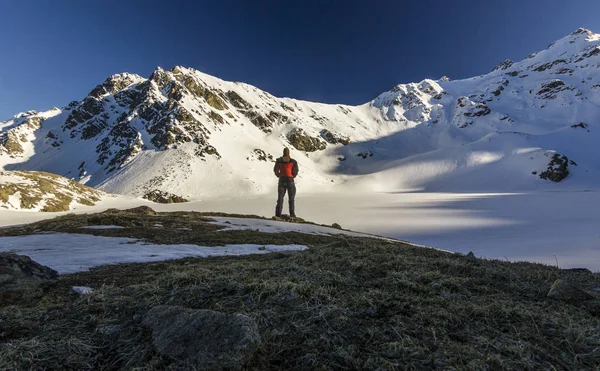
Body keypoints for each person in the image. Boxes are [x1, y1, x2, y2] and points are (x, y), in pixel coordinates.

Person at [273, 147, 299, 217]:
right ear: (288, 153)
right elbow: (296, 171)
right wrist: (292, 176)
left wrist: (279, 175)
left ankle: (278, 214)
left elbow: (275, 170)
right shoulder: (293, 161)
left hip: (281, 180)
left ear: (283, 153)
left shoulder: (279, 160)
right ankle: (292, 214)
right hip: (290, 180)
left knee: (280, 198)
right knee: (291, 198)